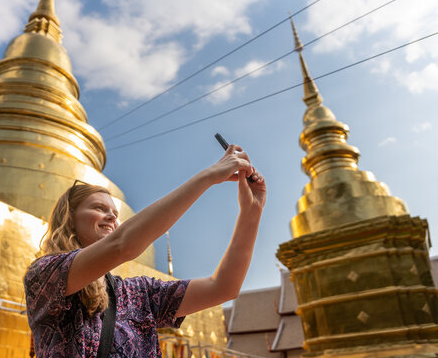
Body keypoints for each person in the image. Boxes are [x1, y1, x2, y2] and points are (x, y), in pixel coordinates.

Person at [24, 144, 266, 357]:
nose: (111, 216)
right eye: (99, 208)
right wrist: (209, 176)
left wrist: (251, 212)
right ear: (70, 218)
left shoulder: (137, 293)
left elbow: (222, 287)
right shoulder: (45, 275)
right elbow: (123, 245)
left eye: (115, 214)